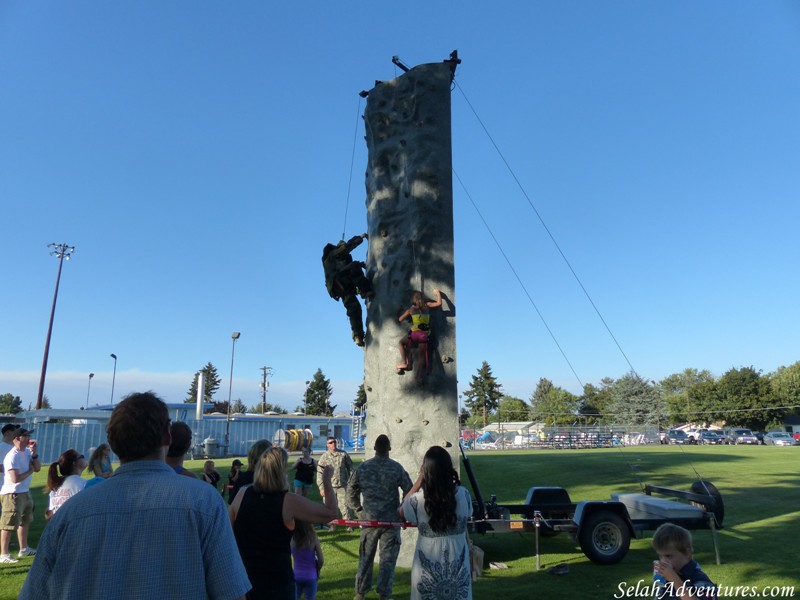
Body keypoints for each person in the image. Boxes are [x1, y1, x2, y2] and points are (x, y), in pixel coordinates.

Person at [19, 391, 251, 599]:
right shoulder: (205, 502)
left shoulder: (69, 514)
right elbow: (230, 592)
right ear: (167, 438)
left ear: (112, 442)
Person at [229, 446, 338, 600]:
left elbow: (226, 534)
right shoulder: (288, 501)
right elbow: (330, 513)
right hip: (277, 585)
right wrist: (327, 480)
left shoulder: (242, 494)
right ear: (281, 473)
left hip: (245, 581)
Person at [399, 445, 473, 600]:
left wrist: (418, 481)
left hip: (428, 560)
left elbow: (401, 510)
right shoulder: (463, 494)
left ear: (425, 471)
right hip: (457, 557)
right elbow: (469, 513)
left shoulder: (417, 500)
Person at [347, 434, 413, 600]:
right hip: (391, 521)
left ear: (375, 448)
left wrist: (358, 509)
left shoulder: (363, 468)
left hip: (369, 520)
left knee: (366, 558)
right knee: (388, 561)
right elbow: (410, 491)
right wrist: (402, 510)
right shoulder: (397, 468)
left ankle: (360, 593)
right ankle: (384, 594)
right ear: (389, 449)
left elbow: (350, 492)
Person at [322, 233, 373, 347]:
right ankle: (365, 290)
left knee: (354, 308)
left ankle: (358, 336)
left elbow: (344, 267)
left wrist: (360, 265)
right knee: (354, 267)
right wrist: (360, 237)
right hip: (340, 281)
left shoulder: (331, 262)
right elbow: (347, 248)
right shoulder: (332, 254)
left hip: (339, 288)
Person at [0, 428, 40, 564]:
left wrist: (34, 455)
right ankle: (3, 554)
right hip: (13, 493)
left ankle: (24, 548)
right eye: (25, 436)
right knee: (8, 524)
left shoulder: (27, 453)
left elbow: (38, 468)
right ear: (17, 438)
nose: (29, 438)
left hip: (25, 492)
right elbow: (15, 478)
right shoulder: (13, 455)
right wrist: (30, 471)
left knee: (25, 521)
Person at [651, 523, 718, 599]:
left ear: (687, 553)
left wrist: (675, 580)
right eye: (660, 556)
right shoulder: (666, 578)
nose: (663, 561)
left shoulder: (698, 579)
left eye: (668, 556)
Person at [396, 289, 442, 376]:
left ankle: (404, 362)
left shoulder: (411, 309)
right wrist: (438, 293)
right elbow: (439, 303)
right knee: (422, 356)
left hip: (414, 335)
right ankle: (419, 375)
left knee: (401, 343)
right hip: (424, 335)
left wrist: (402, 313)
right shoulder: (427, 305)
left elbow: (400, 319)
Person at [316, 437, 354, 530]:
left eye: (334, 442)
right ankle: (332, 526)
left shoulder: (343, 454)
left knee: (345, 506)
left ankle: (349, 526)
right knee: (329, 507)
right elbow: (319, 473)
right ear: (327, 445)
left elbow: (351, 468)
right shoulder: (324, 457)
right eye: (331, 442)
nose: (333, 444)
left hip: (342, 485)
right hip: (329, 487)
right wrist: (321, 487)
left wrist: (352, 482)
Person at [45, 449, 87, 519]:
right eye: (81, 456)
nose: (84, 457)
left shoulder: (55, 486)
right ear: (74, 463)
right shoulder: (83, 483)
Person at [291, 519, 323, 600]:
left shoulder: (292, 540)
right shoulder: (313, 539)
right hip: (311, 576)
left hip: (296, 576)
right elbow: (321, 560)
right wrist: (318, 567)